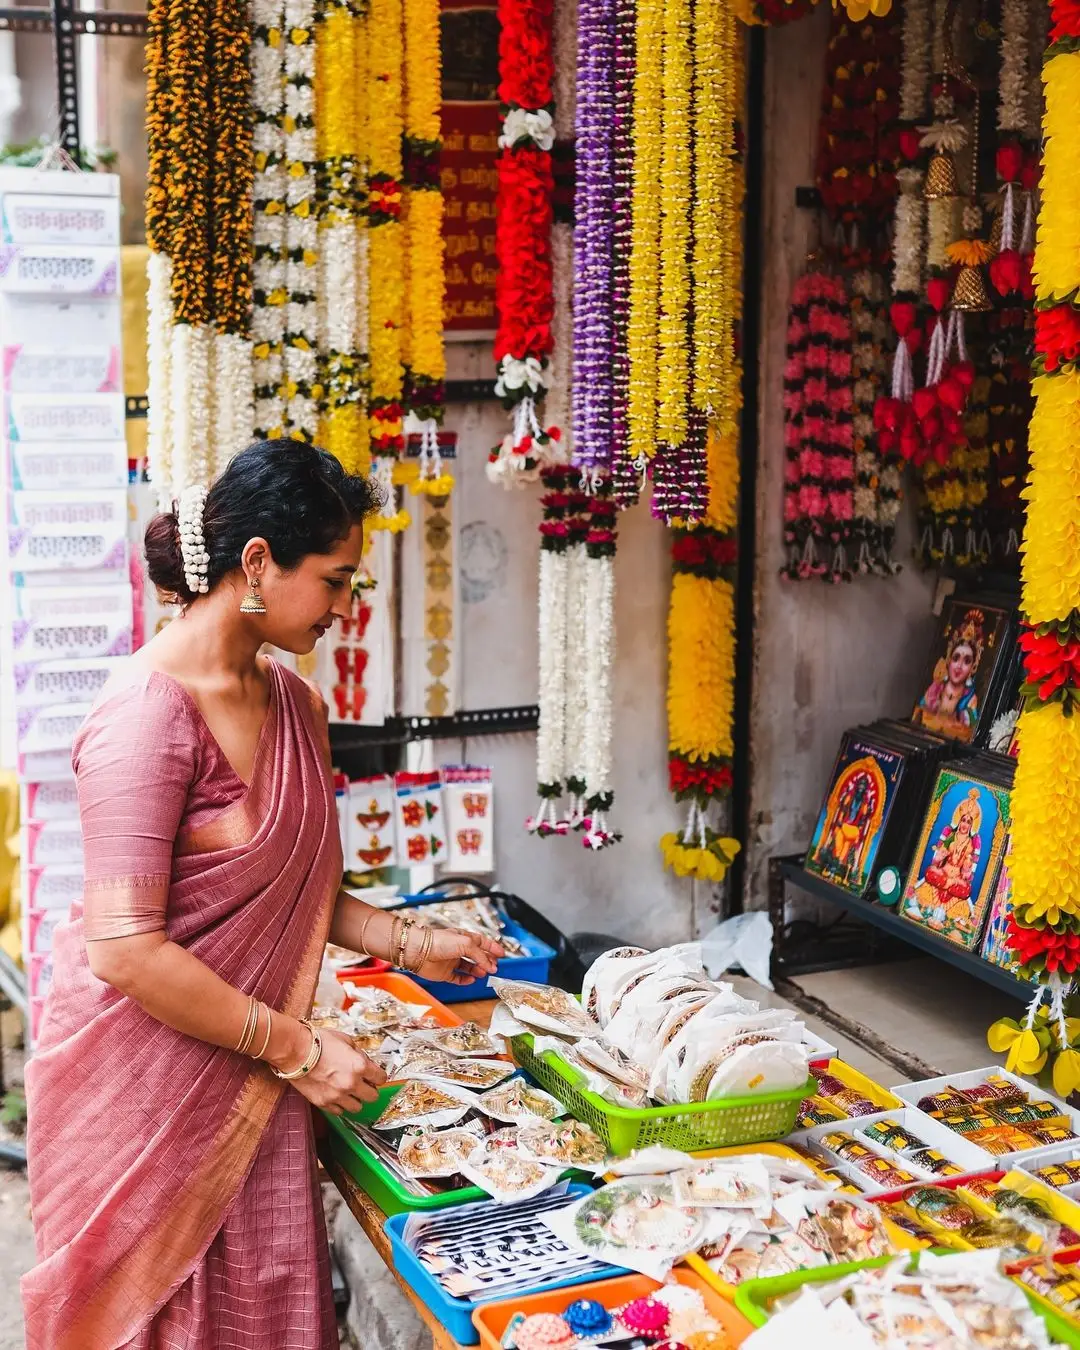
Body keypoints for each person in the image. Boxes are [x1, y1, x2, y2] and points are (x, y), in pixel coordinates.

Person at [22, 440, 504, 1350]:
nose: (344, 606)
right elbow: (126, 950)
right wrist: (296, 1047)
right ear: (256, 565)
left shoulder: (293, 702)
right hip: (145, 1096)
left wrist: (405, 940)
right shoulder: (145, 717)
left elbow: (299, 891)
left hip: (253, 1074)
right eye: (334, 580)